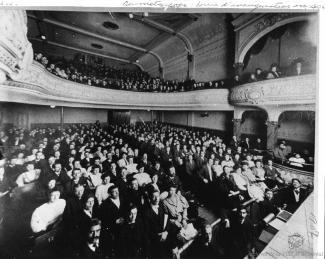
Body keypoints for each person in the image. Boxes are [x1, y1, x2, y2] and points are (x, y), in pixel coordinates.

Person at [143, 190, 171, 258]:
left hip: (166, 234)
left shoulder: (162, 205)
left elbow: (167, 220)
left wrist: (166, 232)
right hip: (155, 239)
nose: (156, 199)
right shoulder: (146, 212)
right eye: (154, 197)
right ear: (149, 198)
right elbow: (146, 230)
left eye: (157, 196)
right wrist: (159, 235)